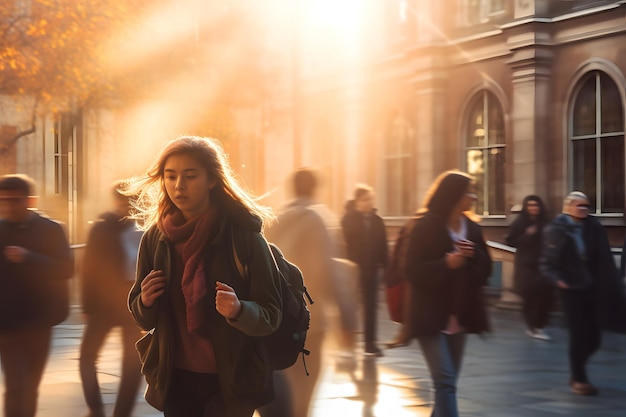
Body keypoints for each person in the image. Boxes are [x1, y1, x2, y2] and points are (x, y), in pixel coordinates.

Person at [127, 135, 282, 417]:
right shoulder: (155, 238)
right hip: (175, 379)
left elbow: (271, 313)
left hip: (230, 382)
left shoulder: (243, 235)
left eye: (190, 176)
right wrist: (145, 302)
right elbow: (141, 317)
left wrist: (239, 309)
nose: (179, 186)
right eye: (170, 176)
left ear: (212, 179)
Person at [259, 167, 358, 417]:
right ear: (315, 188)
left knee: (279, 391)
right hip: (309, 324)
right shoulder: (318, 218)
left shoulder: (276, 220)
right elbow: (329, 270)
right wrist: (347, 320)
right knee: (301, 399)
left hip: (277, 319)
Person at [404, 170, 492, 417]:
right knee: (445, 381)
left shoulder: (472, 229)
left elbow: (486, 268)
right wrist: (447, 264)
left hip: (460, 317)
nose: (472, 197)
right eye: (468, 192)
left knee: (446, 383)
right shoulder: (426, 226)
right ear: (454, 195)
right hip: (429, 317)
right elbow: (410, 269)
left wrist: (473, 257)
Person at [0, 174, 74, 417]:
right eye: (3, 200)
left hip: (39, 321)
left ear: (30, 200)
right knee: (14, 385)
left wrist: (28, 257)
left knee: (30, 387)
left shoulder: (51, 230)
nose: (9, 206)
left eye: (15, 200)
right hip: (7, 324)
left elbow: (66, 269)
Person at [540, 191, 626, 396]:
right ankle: (579, 377)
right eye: (579, 205)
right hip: (571, 289)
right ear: (568, 207)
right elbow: (547, 262)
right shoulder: (557, 229)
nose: (583, 209)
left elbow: (603, 256)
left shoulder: (593, 227)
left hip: (593, 287)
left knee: (594, 337)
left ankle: (578, 367)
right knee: (579, 334)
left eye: (586, 206)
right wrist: (557, 280)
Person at [79, 181, 144, 417]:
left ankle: (122, 413)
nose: (125, 204)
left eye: (129, 199)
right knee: (88, 357)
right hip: (104, 306)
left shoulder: (146, 228)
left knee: (132, 363)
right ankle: (95, 408)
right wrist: (87, 305)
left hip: (133, 306)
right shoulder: (102, 228)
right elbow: (89, 267)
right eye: (122, 199)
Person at [341, 183, 388, 356]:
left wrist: (385, 267)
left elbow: (383, 246)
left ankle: (370, 343)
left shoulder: (377, 221)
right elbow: (344, 243)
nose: (369, 202)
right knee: (350, 307)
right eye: (365, 199)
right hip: (352, 270)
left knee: (370, 307)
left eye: (371, 199)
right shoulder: (348, 219)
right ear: (357, 201)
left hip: (372, 270)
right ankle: (348, 344)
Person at [505, 195, 554, 341]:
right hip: (526, 265)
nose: (534, 208)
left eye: (536, 205)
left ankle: (540, 325)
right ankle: (533, 327)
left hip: (544, 264)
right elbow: (510, 241)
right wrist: (526, 235)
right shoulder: (520, 223)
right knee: (530, 297)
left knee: (546, 296)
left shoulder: (546, 222)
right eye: (531, 205)